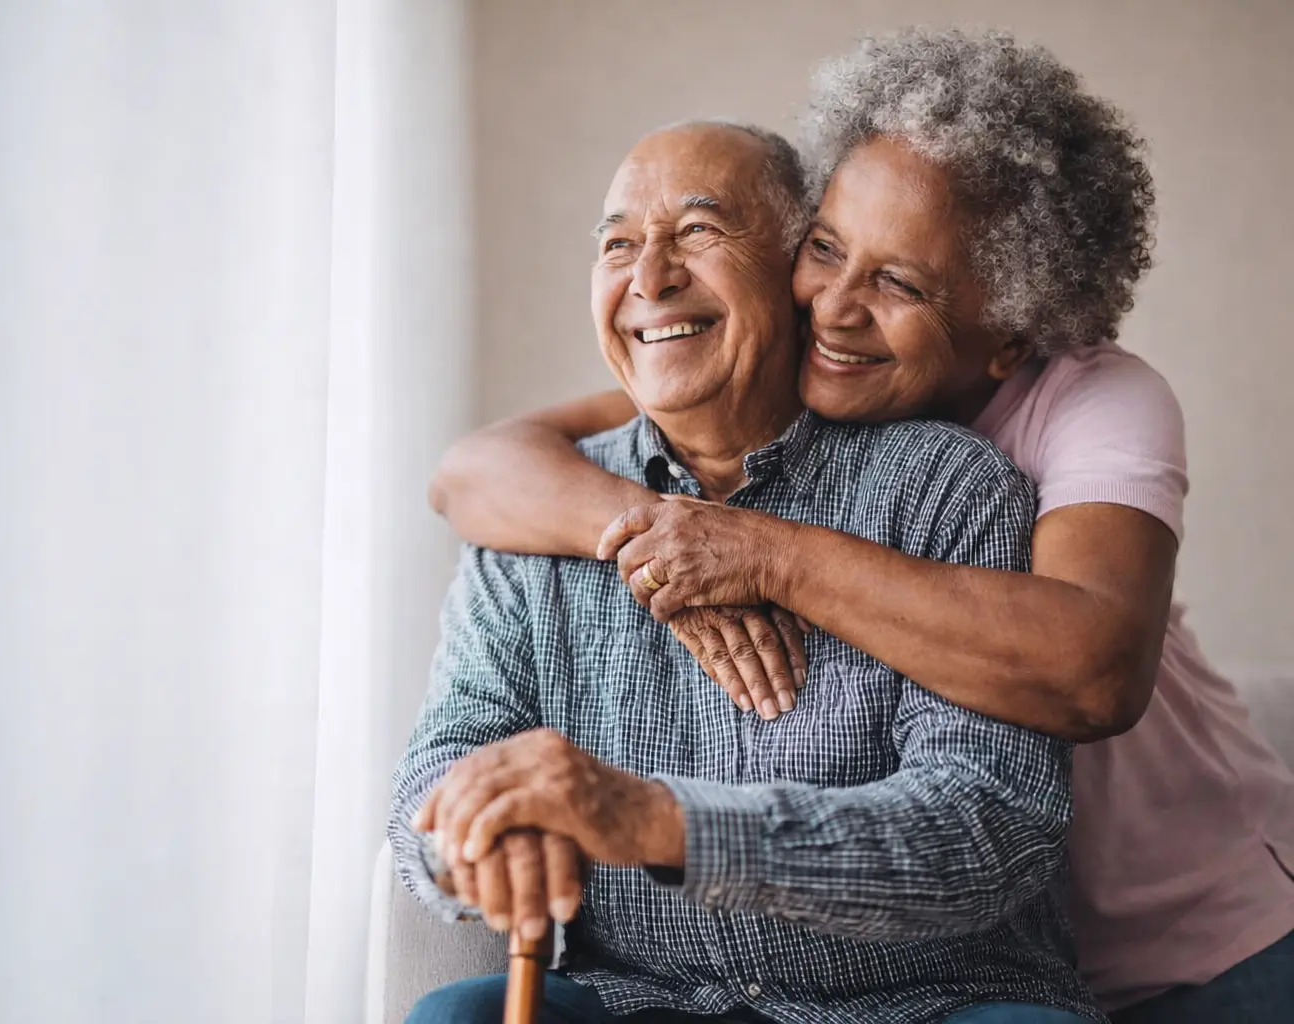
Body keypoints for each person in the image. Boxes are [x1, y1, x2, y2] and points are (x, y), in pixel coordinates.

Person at [428, 28, 1294, 1024]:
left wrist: (757, 554)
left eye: (900, 284)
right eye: (827, 250)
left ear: (1011, 334)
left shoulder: (1086, 408)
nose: (833, 310)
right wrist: (655, 535)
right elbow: (475, 469)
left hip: (1200, 926)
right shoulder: (785, 369)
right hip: (990, 943)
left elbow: (1092, 671)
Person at [391, 120, 1100, 1024]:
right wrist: (474, 834)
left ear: (794, 270)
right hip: (645, 1000)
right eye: (617, 244)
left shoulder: (949, 488)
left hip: (925, 1003)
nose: (650, 278)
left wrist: (660, 822)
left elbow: (984, 829)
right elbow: (441, 760)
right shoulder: (528, 514)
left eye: (697, 231)